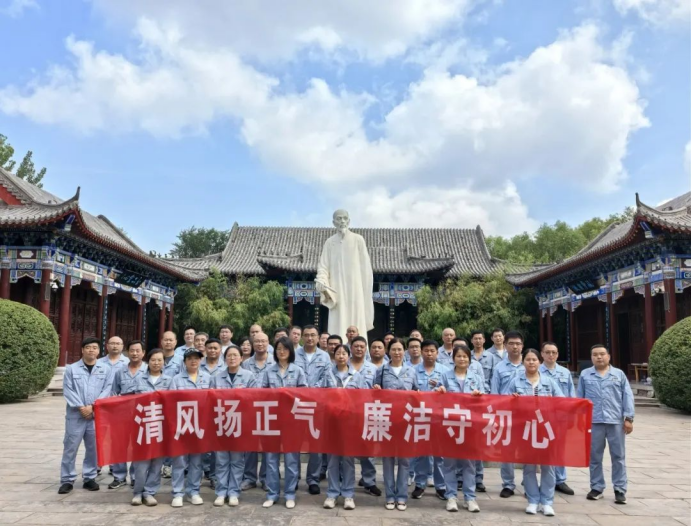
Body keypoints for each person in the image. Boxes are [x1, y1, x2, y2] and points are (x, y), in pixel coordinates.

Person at [504, 349, 564, 517]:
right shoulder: (515, 381)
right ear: (523, 362)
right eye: (528, 360)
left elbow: (562, 401)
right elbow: (504, 401)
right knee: (529, 466)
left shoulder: (549, 382)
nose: (531, 362)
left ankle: (547, 502)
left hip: (546, 429)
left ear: (540, 362)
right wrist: (512, 399)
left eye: (534, 360)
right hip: (526, 429)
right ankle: (532, 500)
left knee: (548, 466)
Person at [578, 345, 634, 505]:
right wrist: (580, 419)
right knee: (594, 456)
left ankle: (620, 489)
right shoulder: (585, 374)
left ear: (608, 356)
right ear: (591, 357)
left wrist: (629, 418)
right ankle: (596, 487)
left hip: (615, 421)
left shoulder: (618, 374)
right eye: (595, 354)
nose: (599, 357)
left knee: (618, 456)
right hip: (594, 421)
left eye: (602, 354)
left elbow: (627, 396)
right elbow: (580, 398)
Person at [58, 337, 114, 495]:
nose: (91, 350)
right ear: (82, 350)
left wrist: (93, 407)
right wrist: (82, 407)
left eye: (94, 347)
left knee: (93, 448)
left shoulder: (106, 369)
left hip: (96, 415)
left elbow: (108, 389)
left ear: (98, 351)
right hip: (76, 414)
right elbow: (68, 389)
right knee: (70, 447)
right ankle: (67, 479)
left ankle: (89, 477)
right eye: (88, 347)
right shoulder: (72, 369)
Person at [260, 337, 308, 510]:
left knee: (291, 460)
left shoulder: (298, 370)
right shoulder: (268, 371)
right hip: (272, 420)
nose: (281, 351)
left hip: (292, 422)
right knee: (271, 460)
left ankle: (289, 494)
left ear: (290, 351)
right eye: (279, 348)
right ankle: (272, 494)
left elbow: (305, 394)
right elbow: (262, 394)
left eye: (285, 348)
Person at [435, 344, 485, 513]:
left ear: (469, 359)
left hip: (470, 426)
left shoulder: (476, 378)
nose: (462, 359)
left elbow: (485, 399)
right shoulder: (445, 376)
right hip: (451, 425)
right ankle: (451, 496)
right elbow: (436, 397)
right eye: (458, 356)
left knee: (469, 463)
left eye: (465, 356)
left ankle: (470, 498)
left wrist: (479, 396)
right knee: (449, 463)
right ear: (453, 358)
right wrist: (439, 391)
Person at [373, 338, 419, 512]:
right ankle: (390, 496)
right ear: (388, 351)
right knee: (388, 460)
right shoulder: (382, 371)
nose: (397, 352)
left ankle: (402, 496)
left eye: (400, 349)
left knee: (405, 461)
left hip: (406, 422)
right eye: (394, 349)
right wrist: (376, 390)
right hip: (387, 421)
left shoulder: (411, 371)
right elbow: (373, 395)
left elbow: (417, 393)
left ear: (404, 351)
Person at [315, 210, 374, 340]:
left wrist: (364, 291)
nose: (342, 221)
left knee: (356, 319)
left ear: (349, 221)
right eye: (339, 218)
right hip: (337, 290)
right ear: (333, 222)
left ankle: (359, 346)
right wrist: (322, 280)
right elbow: (323, 267)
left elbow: (366, 269)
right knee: (338, 320)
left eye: (345, 218)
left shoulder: (358, 240)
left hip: (356, 290)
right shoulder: (329, 242)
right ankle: (337, 348)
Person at [211, 345, 257, 508]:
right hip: (221, 424)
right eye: (229, 356)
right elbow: (211, 400)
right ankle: (221, 492)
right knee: (221, 460)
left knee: (237, 460)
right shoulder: (217, 377)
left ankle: (234, 492)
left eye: (235, 355)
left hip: (240, 424)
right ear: (224, 359)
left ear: (241, 358)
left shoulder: (249, 376)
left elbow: (254, 399)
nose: (232, 358)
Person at [130, 348, 174, 507]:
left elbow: (173, 403)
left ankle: (150, 492)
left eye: (160, 360)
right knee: (141, 463)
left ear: (164, 363)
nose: (156, 363)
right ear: (148, 362)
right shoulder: (139, 379)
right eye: (153, 360)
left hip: (160, 427)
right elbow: (130, 401)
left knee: (157, 462)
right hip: (142, 426)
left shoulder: (169, 381)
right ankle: (137, 492)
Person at [170, 349, 212, 508]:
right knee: (179, 461)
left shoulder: (207, 378)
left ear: (200, 361)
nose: (193, 361)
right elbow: (171, 402)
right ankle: (177, 493)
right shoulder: (176, 379)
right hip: (181, 425)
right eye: (190, 358)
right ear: (184, 361)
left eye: (196, 358)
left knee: (197, 461)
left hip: (200, 426)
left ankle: (193, 491)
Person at [324, 344, 364, 511]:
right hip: (331, 422)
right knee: (332, 460)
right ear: (334, 356)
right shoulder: (327, 374)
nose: (341, 356)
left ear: (349, 356)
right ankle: (332, 494)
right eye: (338, 353)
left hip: (349, 423)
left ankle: (348, 494)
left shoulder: (356, 376)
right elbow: (319, 393)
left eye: (344, 353)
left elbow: (363, 397)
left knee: (348, 460)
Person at [295, 325, 334, 495]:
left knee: (316, 445)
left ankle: (313, 479)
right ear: (302, 337)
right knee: (294, 444)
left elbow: (327, 378)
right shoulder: (294, 354)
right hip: (297, 405)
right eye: (306, 335)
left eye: (313, 335)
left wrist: (311, 391)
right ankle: (294, 477)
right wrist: (303, 390)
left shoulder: (324, 356)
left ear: (318, 338)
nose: (310, 338)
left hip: (317, 406)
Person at [490, 330, 526, 498]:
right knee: (507, 451)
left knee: (528, 450)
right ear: (505, 346)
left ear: (522, 346)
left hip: (527, 415)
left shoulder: (530, 364)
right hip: (506, 414)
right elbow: (494, 393)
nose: (515, 347)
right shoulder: (499, 368)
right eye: (511, 344)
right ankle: (508, 484)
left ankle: (529, 483)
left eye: (518, 344)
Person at [411, 340, 448, 501]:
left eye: (432, 351)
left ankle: (441, 486)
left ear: (437, 353)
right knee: (421, 453)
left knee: (440, 454)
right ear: (421, 352)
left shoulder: (445, 371)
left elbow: (451, 395)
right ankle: (420, 484)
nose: (429, 353)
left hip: (439, 418)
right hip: (420, 417)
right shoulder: (413, 371)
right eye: (426, 350)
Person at [109, 340, 148, 490]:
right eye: (132, 350)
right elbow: (114, 392)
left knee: (138, 445)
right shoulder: (120, 372)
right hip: (123, 415)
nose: (135, 353)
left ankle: (135, 476)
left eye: (138, 351)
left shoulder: (148, 370)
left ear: (143, 353)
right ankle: (119, 477)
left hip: (142, 415)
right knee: (120, 445)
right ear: (127, 352)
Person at [540, 341, 576, 496]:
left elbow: (571, 395)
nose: (551, 355)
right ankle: (539, 481)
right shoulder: (535, 370)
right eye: (547, 352)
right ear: (542, 354)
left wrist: (572, 415)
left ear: (557, 354)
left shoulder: (564, 372)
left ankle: (560, 480)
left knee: (559, 448)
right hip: (541, 418)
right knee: (540, 448)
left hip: (560, 417)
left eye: (554, 352)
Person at [240, 332, 274, 491]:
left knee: (268, 445)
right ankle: (249, 477)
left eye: (263, 341)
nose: (260, 344)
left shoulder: (275, 362)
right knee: (250, 445)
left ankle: (266, 478)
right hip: (250, 409)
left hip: (270, 409)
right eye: (257, 341)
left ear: (268, 343)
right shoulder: (246, 364)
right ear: (253, 344)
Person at [348, 337, 382, 496]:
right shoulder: (343, 365)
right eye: (356, 346)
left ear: (366, 348)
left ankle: (369, 481)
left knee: (368, 450)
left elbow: (380, 391)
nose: (359, 349)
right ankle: (345, 481)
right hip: (347, 413)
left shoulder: (373, 368)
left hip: (367, 412)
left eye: (362, 346)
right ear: (351, 348)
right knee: (346, 448)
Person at [469, 330, 500, 493]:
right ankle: (461, 478)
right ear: (471, 340)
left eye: (480, 338)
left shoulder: (491, 357)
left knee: (477, 441)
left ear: (484, 340)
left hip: (483, 402)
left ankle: (478, 478)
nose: (478, 341)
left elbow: (493, 379)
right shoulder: (466, 355)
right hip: (465, 404)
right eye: (475, 338)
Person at [200, 338, 227, 489]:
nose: (212, 350)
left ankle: (214, 475)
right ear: (205, 349)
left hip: (220, 411)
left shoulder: (226, 366)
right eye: (209, 348)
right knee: (203, 444)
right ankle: (204, 471)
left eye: (215, 348)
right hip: (201, 411)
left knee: (217, 445)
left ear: (220, 350)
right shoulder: (198, 364)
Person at [160, 331, 183, 479]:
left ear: (175, 342)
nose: (168, 342)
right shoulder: (156, 357)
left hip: (175, 403)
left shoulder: (181, 360)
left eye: (171, 340)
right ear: (162, 341)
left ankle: (170, 464)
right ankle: (160, 463)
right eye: (165, 340)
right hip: (157, 403)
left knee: (173, 434)